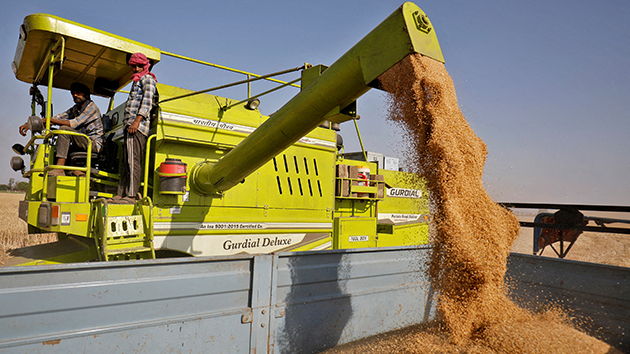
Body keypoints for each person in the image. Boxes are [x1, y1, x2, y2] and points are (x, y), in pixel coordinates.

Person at [19, 82, 103, 177]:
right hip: (81, 142)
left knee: (64, 130)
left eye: (78, 93)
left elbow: (73, 123)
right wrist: (31, 124)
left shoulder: (91, 108)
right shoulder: (75, 109)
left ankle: (59, 168)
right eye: (73, 93)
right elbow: (58, 118)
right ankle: (76, 172)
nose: (75, 95)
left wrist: (49, 120)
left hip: (93, 144)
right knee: (56, 149)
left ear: (86, 95)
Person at [110, 52, 157, 204]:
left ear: (145, 65)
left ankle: (131, 194)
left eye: (139, 66)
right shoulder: (136, 81)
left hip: (137, 126)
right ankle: (121, 192)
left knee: (133, 160)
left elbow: (147, 102)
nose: (136, 69)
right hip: (129, 126)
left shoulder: (148, 79)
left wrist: (137, 121)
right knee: (125, 161)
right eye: (134, 66)